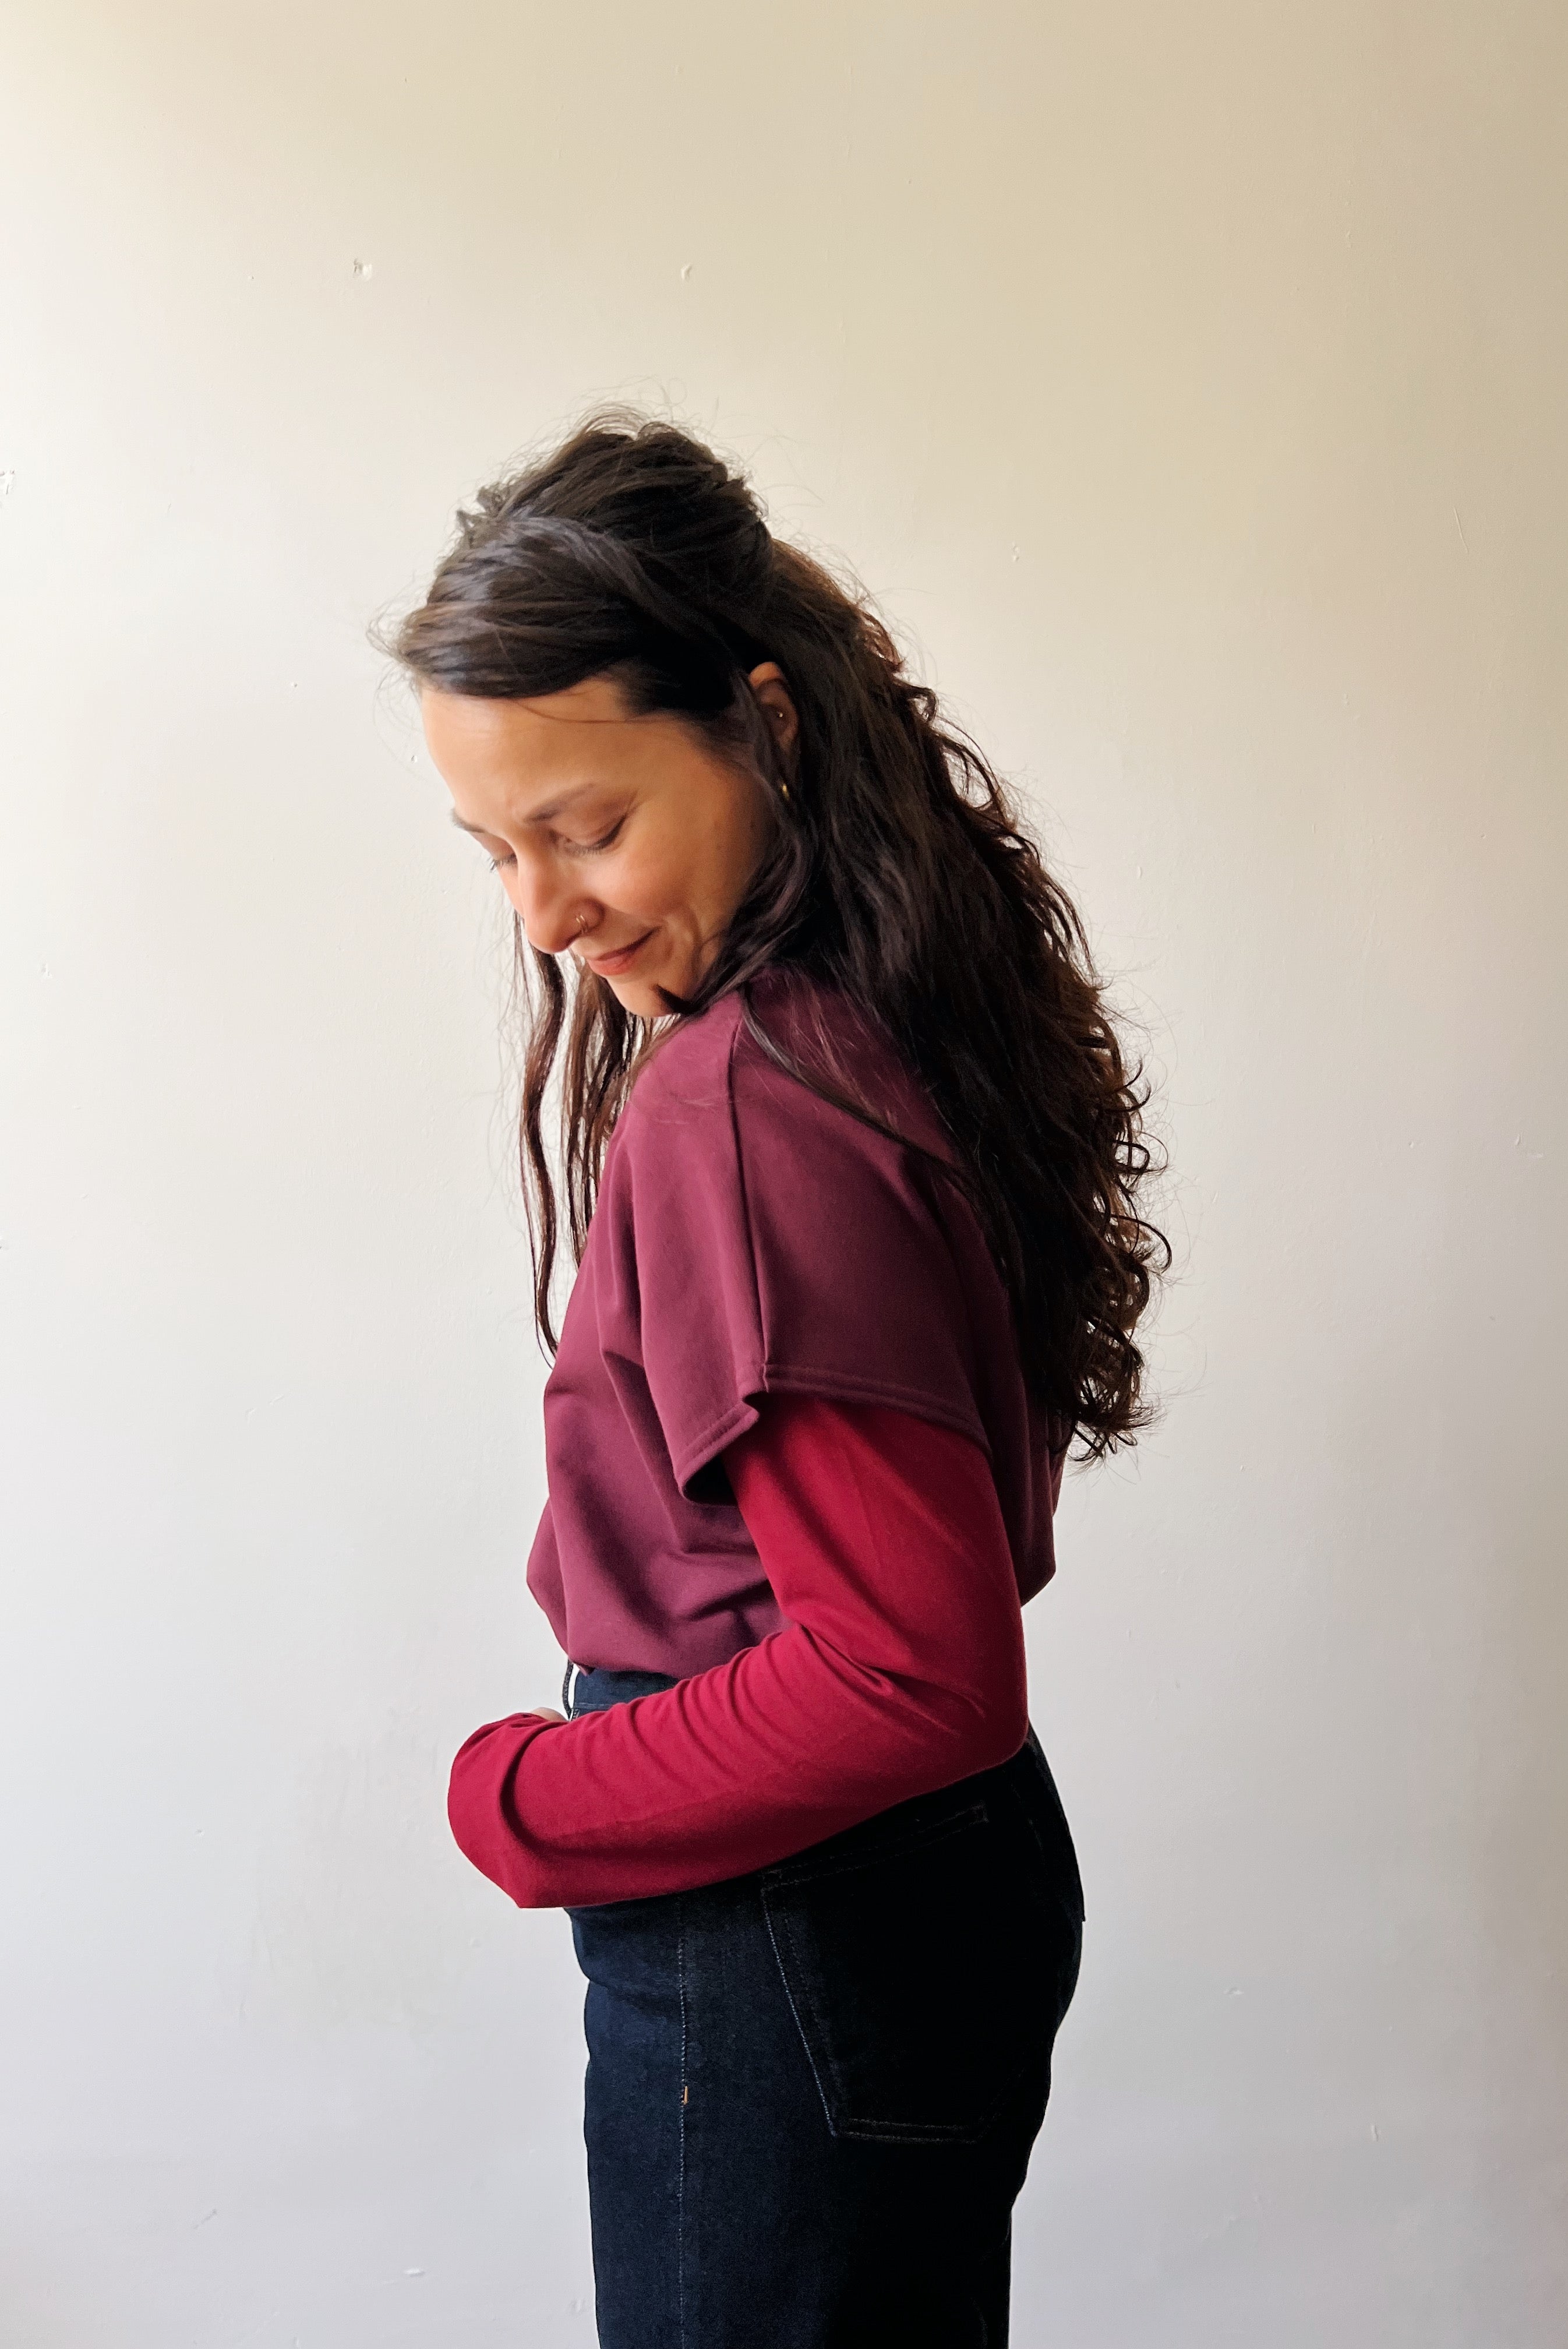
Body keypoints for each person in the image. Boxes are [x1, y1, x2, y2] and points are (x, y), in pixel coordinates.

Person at [384, 413, 1164, 2348]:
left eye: (586, 825)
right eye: (495, 848)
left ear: (763, 724)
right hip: (886, 1918)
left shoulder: (747, 1108)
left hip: (783, 1924)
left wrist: (527, 1797)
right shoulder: (868, 1011)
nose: (543, 913)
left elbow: (909, 1672)